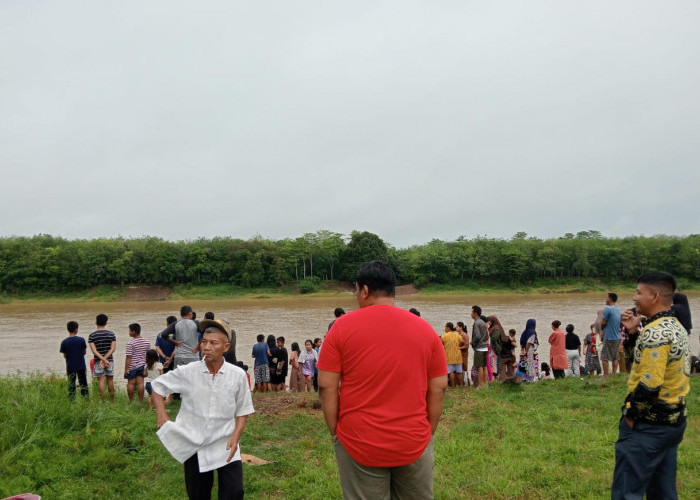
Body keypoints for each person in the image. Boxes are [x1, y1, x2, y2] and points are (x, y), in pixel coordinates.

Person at [318, 260, 447, 499]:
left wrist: (335, 430)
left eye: (356, 290)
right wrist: (428, 431)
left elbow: (326, 385)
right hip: (413, 439)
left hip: (358, 440)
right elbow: (439, 387)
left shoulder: (340, 328)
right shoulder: (425, 329)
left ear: (364, 290)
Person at [152, 318, 254, 500]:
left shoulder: (237, 375)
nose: (207, 347)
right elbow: (158, 385)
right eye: (204, 342)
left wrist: (236, 436)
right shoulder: (188, 372)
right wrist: (162, 415)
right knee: (198, 494)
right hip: (194, 442)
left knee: (234, 492)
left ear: (226, 347)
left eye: (214, 343)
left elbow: (243, 409)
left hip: (225, 442)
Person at [612, 272, 690, 499]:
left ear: (654, 296)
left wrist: (631, 413)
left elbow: (649, 385)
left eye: (638, 292)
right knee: (663, 490)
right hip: (673, 423)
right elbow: (640, 363)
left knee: (627, 492)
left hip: (648, 426)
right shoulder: (675, 326)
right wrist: (633, 333)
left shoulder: (655, 333)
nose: (634, 297)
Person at [160, 306, 200, 370]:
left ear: (181, 315)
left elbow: (164, 334)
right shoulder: (196, 323)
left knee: (179, 378)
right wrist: (199, 346)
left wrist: (174, 342)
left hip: (179, 356)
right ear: (190, 314)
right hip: (193, 355)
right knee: (193, 377)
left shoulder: (176, 324)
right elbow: (206, 333)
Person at [88, 313, 117, 401]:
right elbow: (113, 349)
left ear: (96, 322)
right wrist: (106, 359)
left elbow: (94, 351)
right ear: (106, 322)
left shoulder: (92, 336)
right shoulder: (111, 334)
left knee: (101, 381)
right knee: (110, 380)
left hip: (97, 361)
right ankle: (112, 400)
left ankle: (103, 401)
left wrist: (102, 360)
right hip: (110, 361)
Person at [60, 320, 88, 399]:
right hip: (81, 365)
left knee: (71, 384)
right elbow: (84, 352)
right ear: (76, 329)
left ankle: (71, 399)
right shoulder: (81, 340)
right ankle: (85, 399)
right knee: (83, 383)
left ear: (67, 329)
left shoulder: (64, 342)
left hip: (70, 366)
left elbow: (65, 355)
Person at [124, 323, 150, 403]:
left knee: (131, 384)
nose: (129, 332)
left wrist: (126, 369)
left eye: (130, 331)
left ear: (134, 332)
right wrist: (147, 366)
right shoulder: (146, 341)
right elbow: (148, 355)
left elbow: (129, 357)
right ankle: (141, 401)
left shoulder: (130, 343)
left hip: (132, 366)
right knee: (140, 383)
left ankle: (131, 401)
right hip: (142, 365)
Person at [601, 292, 622, 377]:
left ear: (610, 299)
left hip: (609, 336)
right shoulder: (618, 309)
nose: (606, 300)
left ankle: (605, 375)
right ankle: (614, 374)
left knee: (604, 357)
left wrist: (602, 329)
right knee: (615, 356)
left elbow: (603, 322)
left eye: (607, 298)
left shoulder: (607, 309)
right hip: (617, 337)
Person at [488, 316, 514, 381]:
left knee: (496, 365)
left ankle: (497, 378)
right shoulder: (496, 328)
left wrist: (488, 333)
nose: (489, 323)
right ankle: (496, 378)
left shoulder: (496, 329)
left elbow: (494, 338)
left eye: (489, 321)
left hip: (496, 349)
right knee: (495, 364)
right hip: (495, 349)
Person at [470, 306, 489, 388]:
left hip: (479, 348)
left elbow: (477, 336)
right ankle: (485, 384)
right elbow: (486, 336)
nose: (471, 314)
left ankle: (480, 385)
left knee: (479, 366)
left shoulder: (477, 323)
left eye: (472, 312)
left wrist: (472, 342)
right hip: (485, 347)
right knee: (485, 366)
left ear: (475, 313)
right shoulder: (482, 322)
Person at [442, 322, 464, 388]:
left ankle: (452, 386)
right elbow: (463, 342)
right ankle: (461, 385)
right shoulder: (458, 335)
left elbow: (441, 344)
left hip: (449, 356)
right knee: (459, 372)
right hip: (457, 356)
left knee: (450, 372)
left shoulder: (444, 336)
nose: (445, 329)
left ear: (448, 328)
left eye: (445, 327)